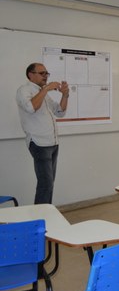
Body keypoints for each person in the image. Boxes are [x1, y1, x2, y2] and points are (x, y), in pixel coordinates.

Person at [16, 63, 69, 204]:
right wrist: (46, 89)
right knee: (45, 184)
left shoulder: (42, 93)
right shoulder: (24, 90)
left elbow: (60, 112)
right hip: (39, 143)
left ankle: (46, 212)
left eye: (46, 73)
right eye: (42, 73)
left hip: (53, 143)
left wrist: (65, 95)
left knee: (49, 184)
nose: (45, 76)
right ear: (30, 75)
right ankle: (40, 215)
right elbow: (31, 107)